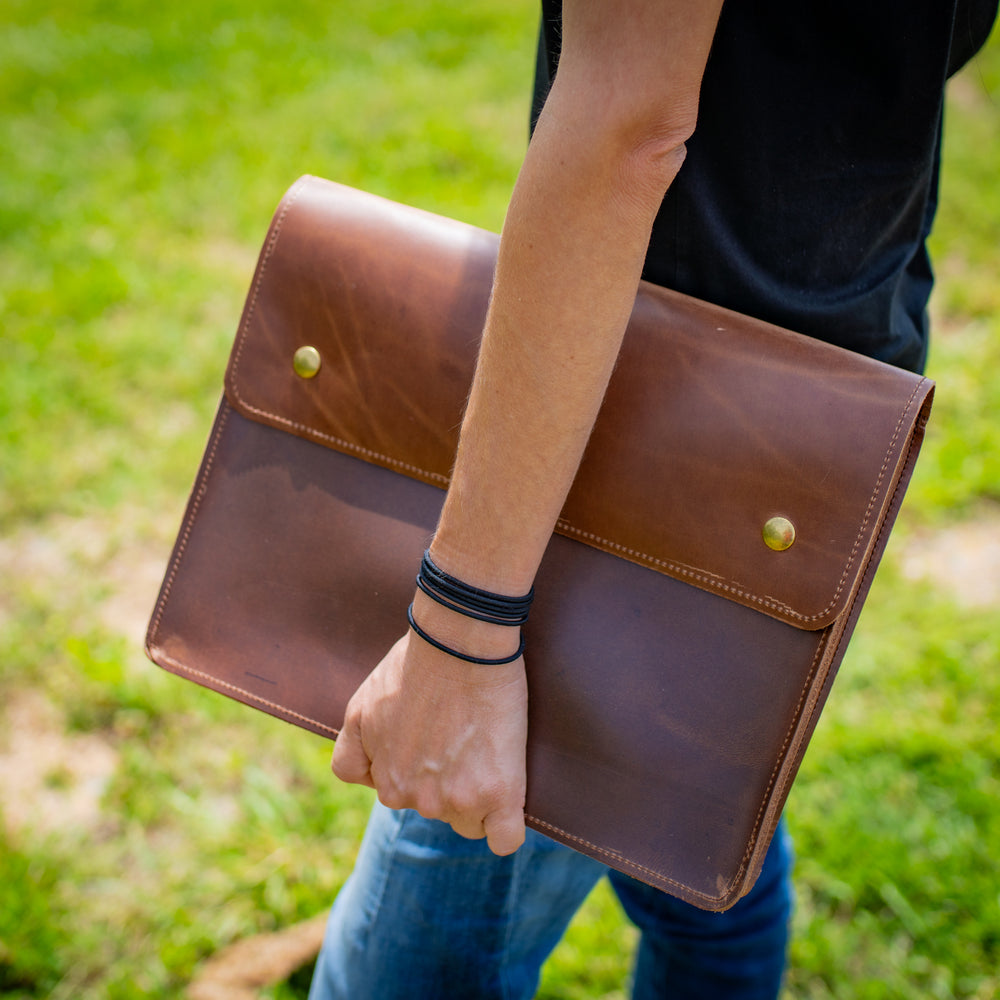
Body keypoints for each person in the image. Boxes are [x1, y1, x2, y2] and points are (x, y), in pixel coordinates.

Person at [308, 2, 998, 997]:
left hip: (633, 413)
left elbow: (629, 124)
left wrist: (464, 625)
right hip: (834, 369)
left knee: (400, 968)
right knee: (689, 842)